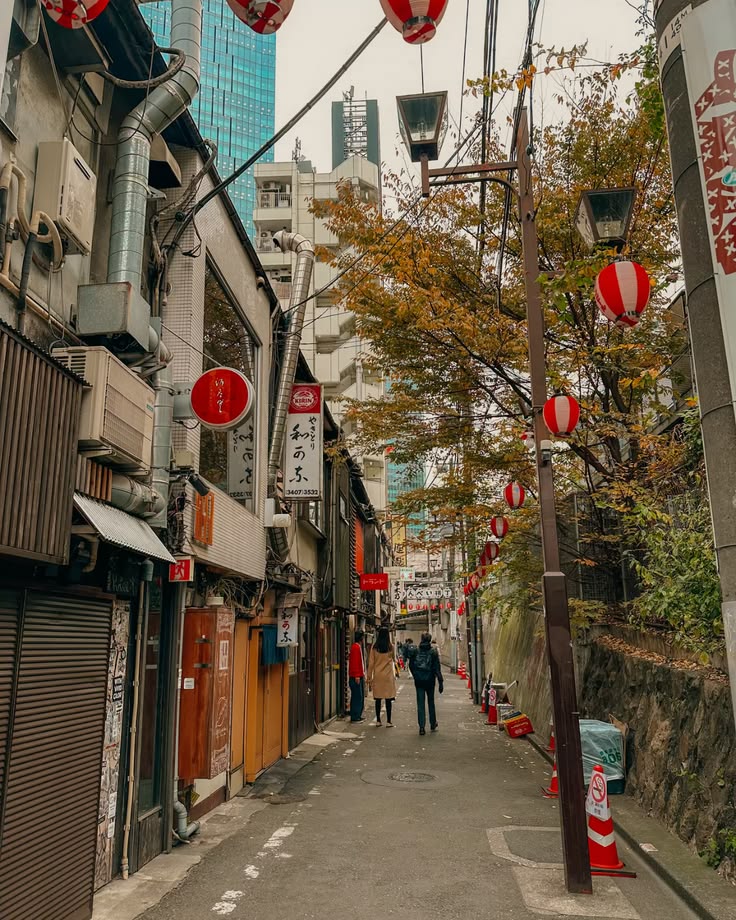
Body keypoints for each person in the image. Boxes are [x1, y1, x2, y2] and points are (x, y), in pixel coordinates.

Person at [408, 632, 443, 735]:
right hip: (430, 680)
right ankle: (432, 723)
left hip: (419, 680)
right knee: (431, 702)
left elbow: (411, 665)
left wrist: (415, 675)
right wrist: (440, 682)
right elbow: (437, 668)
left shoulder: (415, 651)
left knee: (420, 703)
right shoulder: (433, 652)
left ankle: (422, 727)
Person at [367, 626, 397, 727]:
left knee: (378, 699)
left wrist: (369, 677)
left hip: (378, 676)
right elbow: (394, 659)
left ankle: (378, 721)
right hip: (388, 676)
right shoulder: (390, 647)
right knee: (388, 699)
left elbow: (371, 663)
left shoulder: (375, 647)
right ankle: (389, 721)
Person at [349, 630, 366, 722]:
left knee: (357, 696)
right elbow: (356, 662)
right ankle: (355, 716)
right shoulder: (356, 647)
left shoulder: (355, 646)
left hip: (357, 675)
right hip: (356, 676)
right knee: (357, 697)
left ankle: (357, 715)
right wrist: (357, 676)